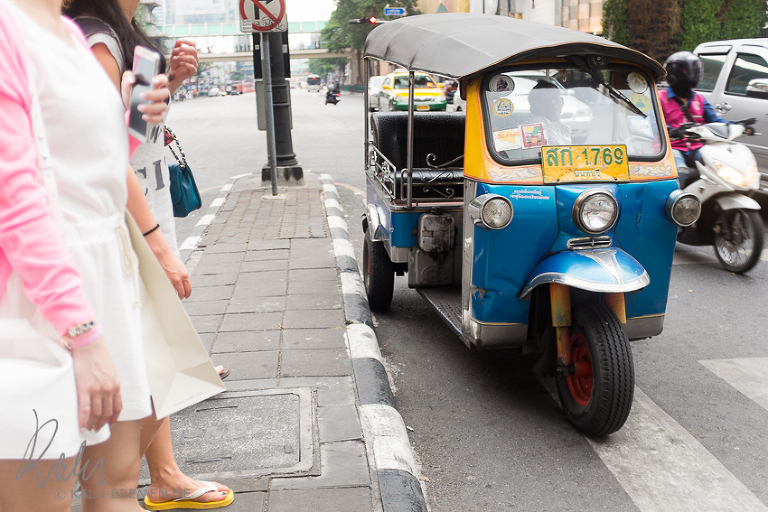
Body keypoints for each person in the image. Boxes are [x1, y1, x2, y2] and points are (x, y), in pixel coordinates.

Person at [0, 0, 171, 510]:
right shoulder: (10, 30)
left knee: (116, 490)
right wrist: (81, 332)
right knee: (40, 500)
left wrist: (136, 118)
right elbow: (14, 195)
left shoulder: (69, 34)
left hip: (105, 284)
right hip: (38, 304)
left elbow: (95, 170)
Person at [62, 0, 233, 509]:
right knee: (144, 353)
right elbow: (100, 150)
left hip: (134, 209)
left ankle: (163, 474)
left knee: (149, 354)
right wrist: (156, 241)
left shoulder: (120, 30)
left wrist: (169, 84)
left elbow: (123, 134)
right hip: (118, 221)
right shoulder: (94, 37)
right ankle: (149, 478)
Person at [659, 51, 752, 188]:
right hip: (673, 148)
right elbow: (654, 124)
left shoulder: (699, 99)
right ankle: (675, 206)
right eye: (686, 69)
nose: (691, 73)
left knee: (721, 168)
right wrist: (673, 131)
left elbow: (716, 121)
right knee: (681, 173)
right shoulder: (661, 98)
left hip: (697, 148)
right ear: (675, 72)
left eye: (694, 69)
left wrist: (739, 126)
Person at [528, 80, 572, 145]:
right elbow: (533, 151)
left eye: (554, 96)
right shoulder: (536, 126)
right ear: (533, 109)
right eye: (543, 100)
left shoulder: (565, 129)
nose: (552, 102)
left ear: (562, 101)